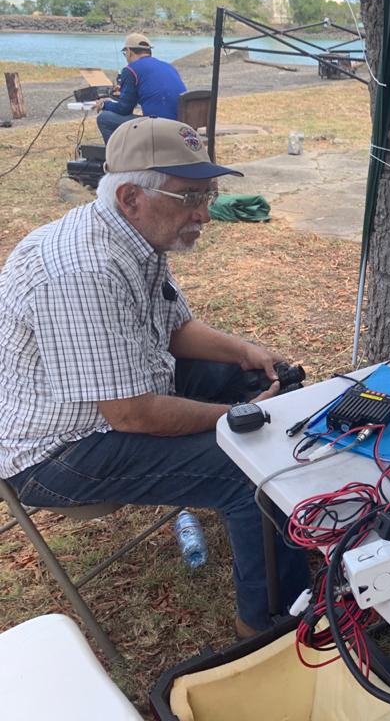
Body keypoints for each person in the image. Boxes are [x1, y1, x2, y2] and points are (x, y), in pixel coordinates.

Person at [0, 117, 309, 637]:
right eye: (189, 196)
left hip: (118, 395)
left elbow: (173, 327)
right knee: (249, 468)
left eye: (208, 193)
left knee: (270, 380)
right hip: (55, 450)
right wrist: (244, 419)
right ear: (130, 197)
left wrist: (248, 352)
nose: (205, 213)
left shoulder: (132, 237)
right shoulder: (84, 270)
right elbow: (132, 413)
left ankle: (278, 540)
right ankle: (269, 626)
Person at [96, 33, 187, 143]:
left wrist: (104, 104)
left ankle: (116, 158)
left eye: (125, 53)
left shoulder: (130, 69)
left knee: (104, 118)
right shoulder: (168, 66)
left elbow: (124, 109)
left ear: (129, 52)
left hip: (158, 126)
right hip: (181, 125)